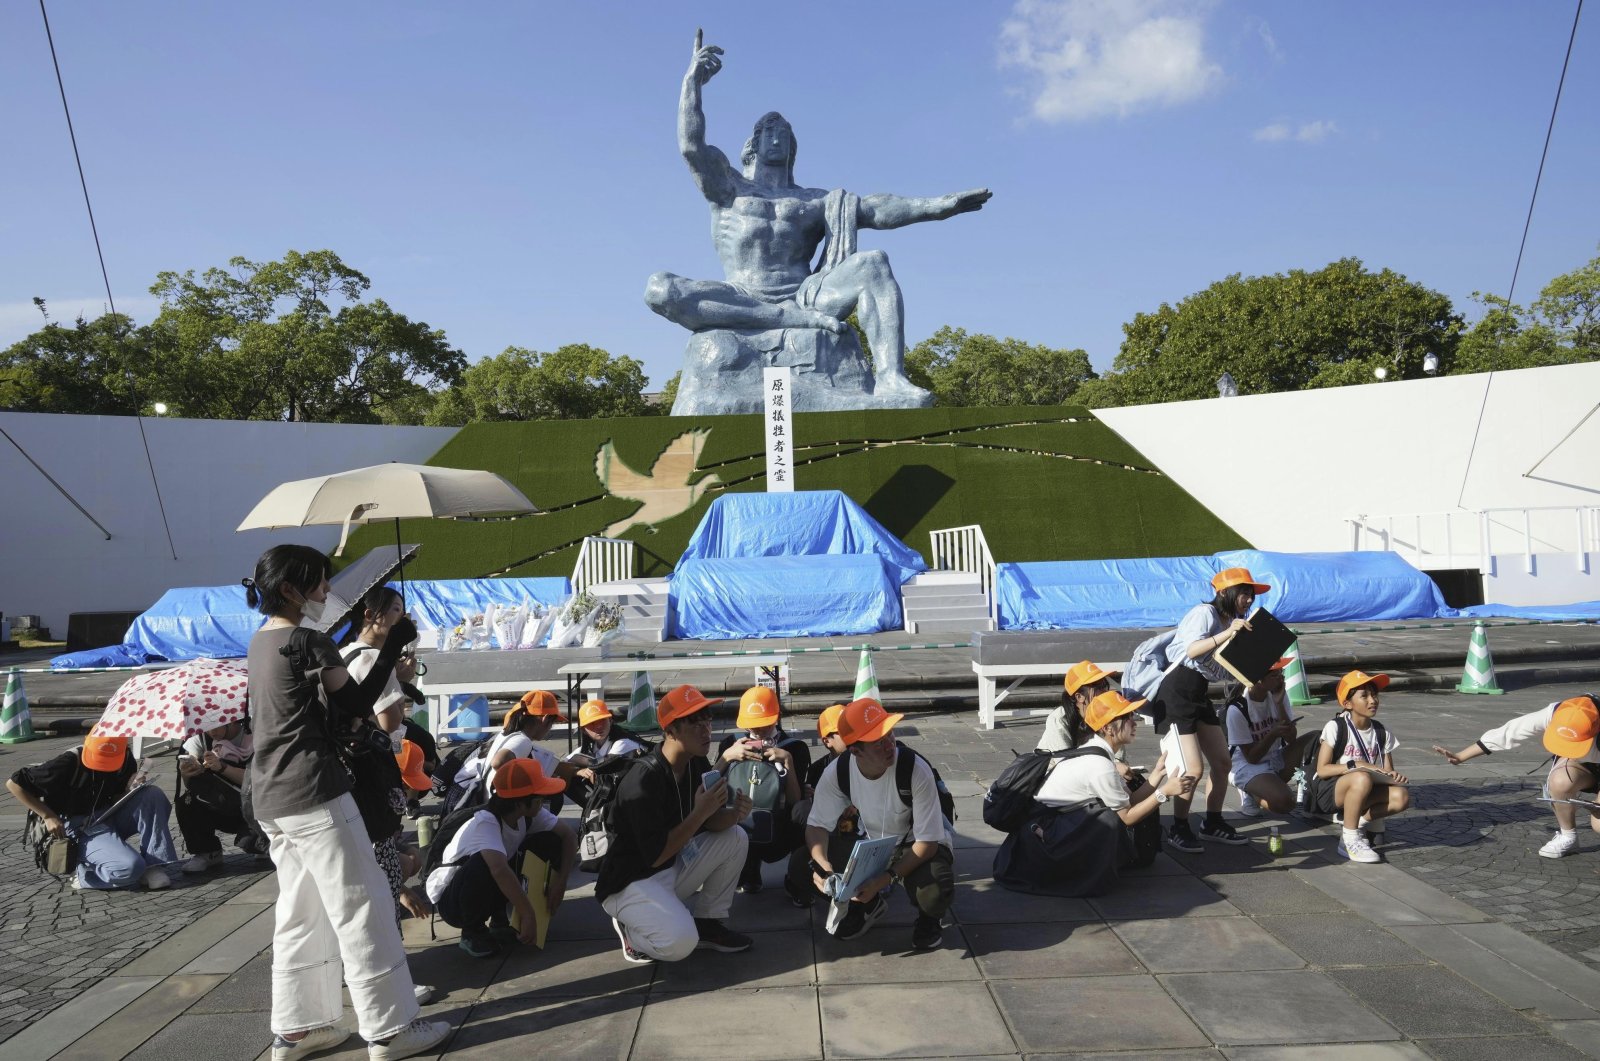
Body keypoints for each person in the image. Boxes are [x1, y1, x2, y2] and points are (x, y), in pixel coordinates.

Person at [644, 32, 991, 402]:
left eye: (785, 134)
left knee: (873, 264)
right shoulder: (728, 187)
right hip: (740, 293)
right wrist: (691, 83)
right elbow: (690, 146)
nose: (778, 138)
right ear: (753, 143)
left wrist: (939, 206)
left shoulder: (815, 200)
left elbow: (877, 208)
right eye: (770, 132)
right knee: (661, 289)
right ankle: (780, 320)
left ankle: (890, 378)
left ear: (793, 148)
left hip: (805, 295)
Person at [242, 544, 448, 1061]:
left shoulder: (261, 642)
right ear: (290, 589)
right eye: (317, 582)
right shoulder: (307, 641)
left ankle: (297, 1030)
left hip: (271, 796)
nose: (326, 590)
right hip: (315, 790)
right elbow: (357, 704)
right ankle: (391, 1030)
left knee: (300, 911)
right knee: (365, 905)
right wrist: (392, 646)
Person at [595, 684, 753, 964]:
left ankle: (708, 923)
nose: (706, 731)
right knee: (680, 944)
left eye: (708, 721)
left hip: (668, 869)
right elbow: (656, 854)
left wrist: (733, 815)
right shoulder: (643, 779)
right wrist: (700, 814)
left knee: (736, 836)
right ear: (670, 731)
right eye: (695, 724)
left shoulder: (695, 761)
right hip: (630, 882)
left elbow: (712, 824)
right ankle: (633, 932)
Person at [791, 697, 955, 951]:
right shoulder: (838, 771)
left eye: (889, 734)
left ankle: (929, 919)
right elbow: (817, 826)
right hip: (872, 845)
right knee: (802, 866)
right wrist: (823, 866)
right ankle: (867, 905)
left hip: (916, 844)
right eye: (877, 742)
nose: (889, 745)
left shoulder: (914, 768)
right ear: (855, 750)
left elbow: (928, 843)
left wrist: (884, 879)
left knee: (933, 890)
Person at [1149, 567, 1270, 852]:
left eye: (1251, 595)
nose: (1249, 600)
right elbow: (1191, 650)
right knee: (1191, 768)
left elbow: (1219, 669)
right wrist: (1229, 633)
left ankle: (1212, 822)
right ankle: (1178, 827)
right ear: (1224, 592)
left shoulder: (1233, 620)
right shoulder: (1205, 613)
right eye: (1244, 593)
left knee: (1222, 762)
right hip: (1177, 692)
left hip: (1199, 692)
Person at [425, 758, 577, 958]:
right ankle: (473, 932)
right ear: (522, 802)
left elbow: (569, 836)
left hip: (485, 884)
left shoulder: (529, 814)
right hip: (453, 902)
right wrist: (528, 914)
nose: (543, 801)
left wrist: (560, 882)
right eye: (539, 796)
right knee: (486, 863)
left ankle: (499, 921)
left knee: (550, 841)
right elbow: (498, 870)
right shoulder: (485, 822)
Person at [1433, 693, 1600, 858]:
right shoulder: (1559, 712)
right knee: (1559, 781)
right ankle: (1568, 836)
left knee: (1598, 825)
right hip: (1583, 766)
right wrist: (1461, 756)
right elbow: (1510, 732)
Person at [7, 733, 181, 890]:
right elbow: (14, 784)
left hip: (107, 813)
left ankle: (152, 866)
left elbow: (114, 796)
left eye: (109, 761)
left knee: (151, 795)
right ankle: (83, 876)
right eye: (99, 759)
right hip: (77, 824)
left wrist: (129, 788)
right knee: (129, 869)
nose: (103, 766)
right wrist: (48, 816)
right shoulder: (68, 762)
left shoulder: (125, 758)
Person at [716, 685, 812, 892]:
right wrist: (726, 758)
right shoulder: (730, 745)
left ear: (776, 717)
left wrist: (788, 762)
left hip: (781, 825)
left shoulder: (794, 747)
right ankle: (748, 873)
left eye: (763, 724)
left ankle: (796, 880)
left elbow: (796, 801)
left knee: (804, 817)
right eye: (752, 725)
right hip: (739, 822)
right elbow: (709, 786)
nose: (757, 731)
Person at [1312, 671, 1411, 864]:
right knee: (1361, 777)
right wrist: (1355, 765)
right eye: (1364, 696)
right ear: (1347, 704)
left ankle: (1357, 822)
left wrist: (1394, 777)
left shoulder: (1382, 732)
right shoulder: (1336, 727)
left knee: (1401, 796)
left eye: (1374, 695)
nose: (1372, 700)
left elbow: (1388, 772)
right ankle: (1348, 840)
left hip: (1366, 790)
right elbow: (1322, 770)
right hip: (1332, 791)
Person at [340, 586, 424, 756]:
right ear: (370, 616)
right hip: (371, 755)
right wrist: (400, 681)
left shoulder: (345, 650)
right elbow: (390, 723)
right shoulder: (372, 657)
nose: (403, 618)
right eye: (396, 609)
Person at [176, 718, 268, 872]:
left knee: (250, 842)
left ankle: (266, 843)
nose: (212, 732)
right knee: (187, 800)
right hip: (220, 801)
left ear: (232, 720)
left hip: (252, 804)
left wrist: (222, 767)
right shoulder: (199, 738)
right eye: (206, 727)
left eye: (216, 726)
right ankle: (208, 852)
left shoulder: (255, 733)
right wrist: (187, 773)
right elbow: (189, 784)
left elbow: (259, 780)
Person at [1223, 661, 1310, 817]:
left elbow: (1291, 738)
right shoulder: (1237, 709)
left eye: (1281, 674)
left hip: (1273, 756)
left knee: (1315, 738)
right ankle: (1251, 792)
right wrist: (1272, 734)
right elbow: (1251, 758)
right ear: (1258, 680)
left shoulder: (1278, 695)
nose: (1281, 679)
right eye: (1274, 675)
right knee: (1285, 802)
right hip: (1245, 765)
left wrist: (1279, 705)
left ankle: (1272, 787)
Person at [564, 699, 646, 806]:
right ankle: (597, 810)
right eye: (592, 723)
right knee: (566, 780)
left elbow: (605, 763)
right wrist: (577, 772)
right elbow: (561, 766)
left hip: (641, 793)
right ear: (583, 730)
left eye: (602, 720)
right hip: (619, 791)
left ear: (610, 721)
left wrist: (579, 761)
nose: (598, 727)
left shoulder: (623, 742)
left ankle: (600, 810)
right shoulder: (591, 746)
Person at [1037, 661, 1119, 753]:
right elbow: (1063, 761)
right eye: (1099, 687)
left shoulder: (1106, 714)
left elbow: (1116, 750)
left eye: (1105, 685)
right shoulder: (1059, 720)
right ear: (1079, 697)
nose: (1105, 692)